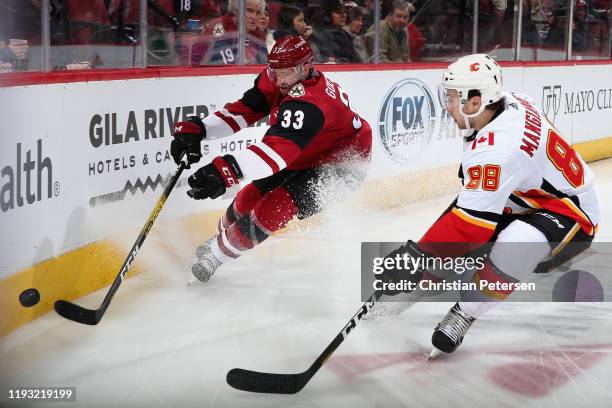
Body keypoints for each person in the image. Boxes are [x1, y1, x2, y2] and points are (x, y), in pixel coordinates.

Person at [378, 54, 599, 355]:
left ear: (476, 102)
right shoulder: (505, 102)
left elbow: (469, 229)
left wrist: (413, 257)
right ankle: (407, 294)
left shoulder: (498, 149)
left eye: (453, 98)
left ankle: (465, 312)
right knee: (453, 237)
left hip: (569, 210)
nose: (448, 105)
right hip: (525, 194)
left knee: (512, 245)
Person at [169, 36, 372, 282]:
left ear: (304, 67)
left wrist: (226, 169)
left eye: (286, 73)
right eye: (275, 71)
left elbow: (275, 153)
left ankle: (216, 255)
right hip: (307, 150)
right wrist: (200, 129)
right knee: (250, 195)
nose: (279, 80)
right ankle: (219, 239)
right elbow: (244, 110)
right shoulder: (277, 79)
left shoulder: (312, 103)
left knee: (276, 206)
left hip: (343, 164)